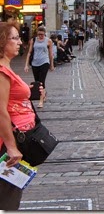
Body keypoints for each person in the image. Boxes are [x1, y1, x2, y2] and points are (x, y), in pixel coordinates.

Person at [0, 21, 36, 210]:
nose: (19, 42)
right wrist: (12, 148)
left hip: (12, 140)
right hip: (5, 147)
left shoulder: (6, 68)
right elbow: (0, 110)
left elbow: (10, 98)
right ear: (2, 42)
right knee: (7, 200)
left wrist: (29, 91)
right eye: (14, 38)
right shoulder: (1, 71)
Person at [23, 26, 54, 108]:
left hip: (44, 62)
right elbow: (29, 53)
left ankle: (40, 101)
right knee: (37, 81)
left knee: (41, 81)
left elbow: (51, 54)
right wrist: (26, 65)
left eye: (42, 34)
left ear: (45, 34)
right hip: (35, 63)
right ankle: (43, 94)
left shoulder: (48, 41)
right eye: (39, 34)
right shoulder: (33, 40)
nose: (40, 36)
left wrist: (51, 64)